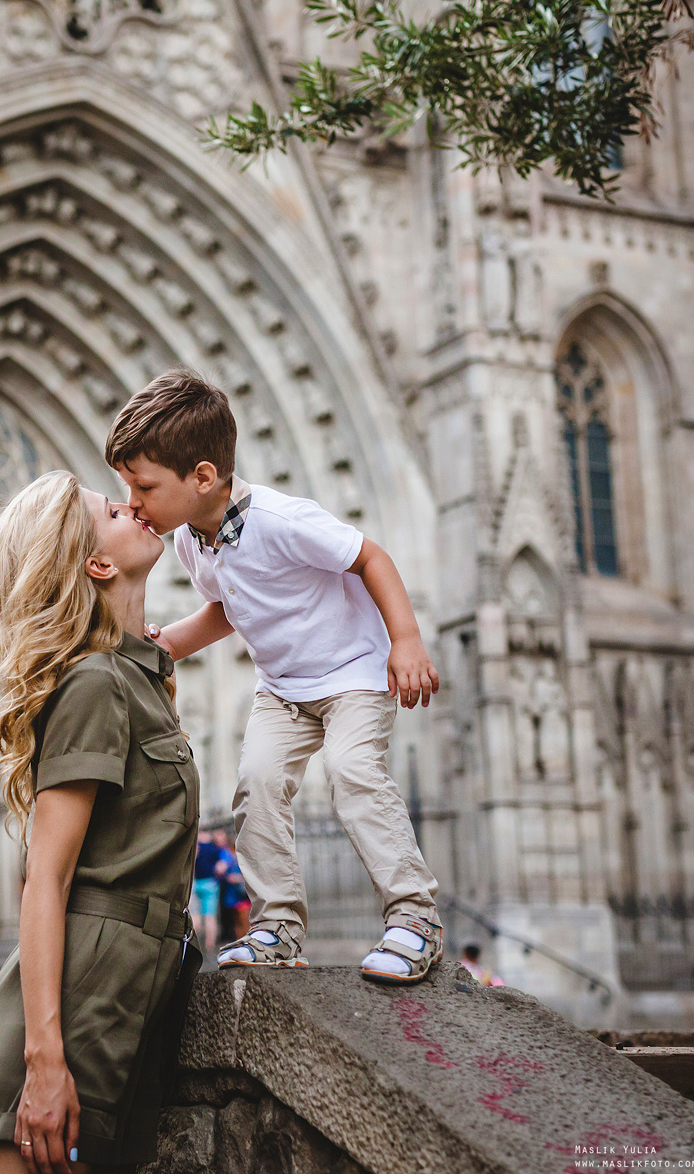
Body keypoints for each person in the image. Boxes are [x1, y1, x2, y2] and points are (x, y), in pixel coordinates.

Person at [106, 368, 443, 985]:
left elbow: (370, 556)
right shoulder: (190, 542)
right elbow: (226, 608)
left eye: (143, 487)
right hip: (283, 689)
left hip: (352, 676)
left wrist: (407, 641)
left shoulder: (285, 519)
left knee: (352, 774)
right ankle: (277, 928)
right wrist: (170, 643)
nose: (132, 504)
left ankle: (415, 918)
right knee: (255, 785)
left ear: (203, 477)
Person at [0, 471, 202, 1174]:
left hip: (126, 999)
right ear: (97, 563)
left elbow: (233, 609)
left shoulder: (139, 675)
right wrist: (45, 1063)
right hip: (71, 1017)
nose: (134, 505)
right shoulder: (96, 682)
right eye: (113, 507)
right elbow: (45, 878)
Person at [213, 829, 250, 944]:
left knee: (239, 922)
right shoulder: (241, 855)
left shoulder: (227, 854)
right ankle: (243, 945)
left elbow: (219, 869)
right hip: (240, 894)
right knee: (242, 922)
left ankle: (241, 944)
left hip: (236, 894)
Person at [191, 829, 224, 952]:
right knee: (210, 917)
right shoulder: (213, 847)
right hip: (210, 883)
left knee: (195, 916)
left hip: (196, 883)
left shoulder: (196, 846)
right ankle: (209, 946)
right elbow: (223, 863)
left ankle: (194, 943)